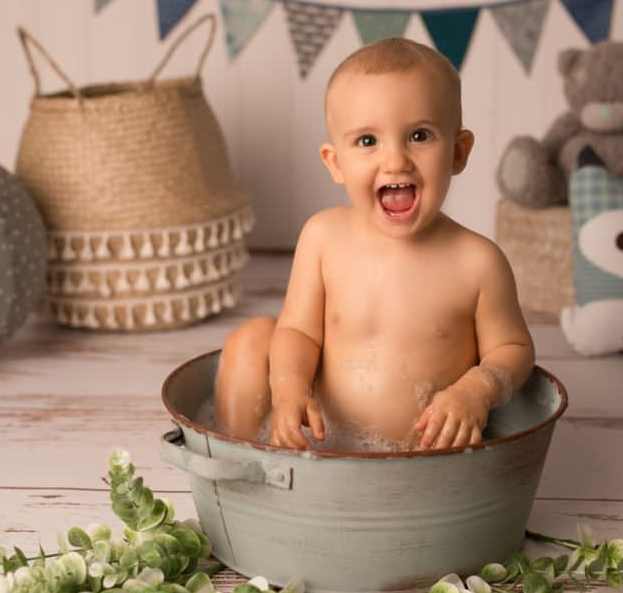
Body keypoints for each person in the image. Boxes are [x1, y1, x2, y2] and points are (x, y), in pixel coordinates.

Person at [214, 37, 535, 451]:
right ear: (336, 163)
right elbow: (297, 332)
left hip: (424, 455)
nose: (396, 160)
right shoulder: (323, 238)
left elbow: (513, 348)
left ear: (458, 152)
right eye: (368, 141)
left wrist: (474, 391)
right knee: (254, 336)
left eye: (419, 135)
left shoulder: (477, 262)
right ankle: (239, 457)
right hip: (321, 439)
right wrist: (290, 392)